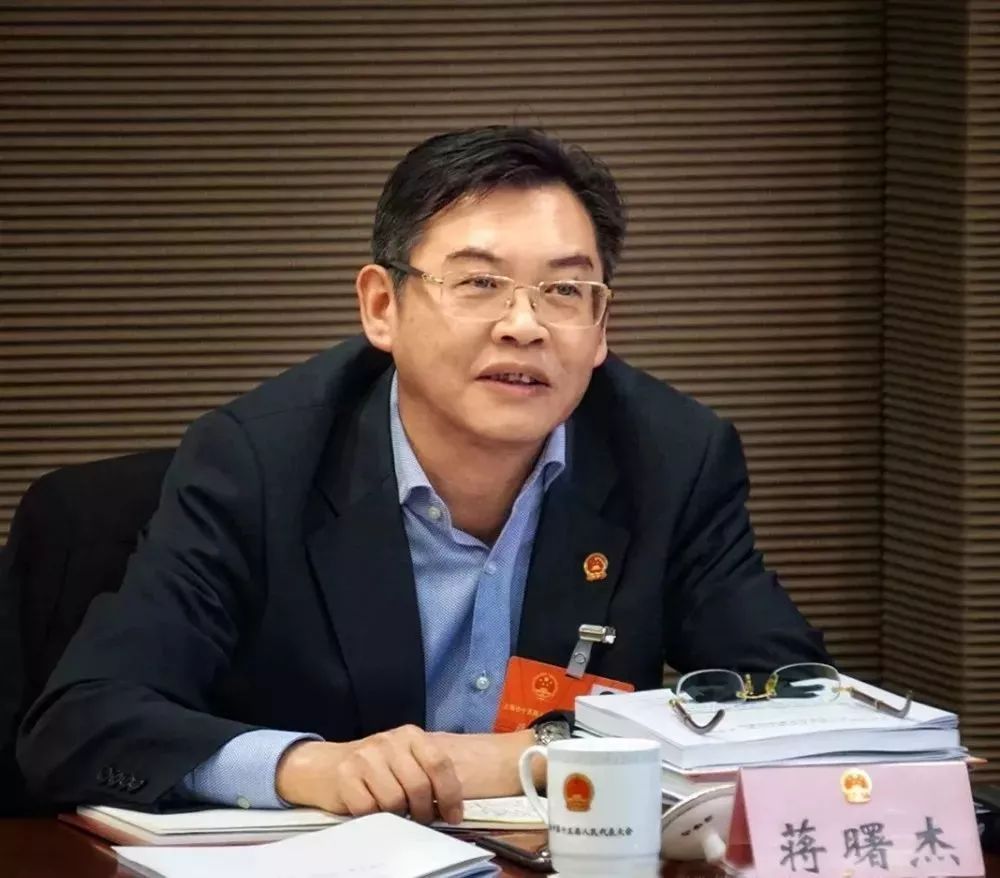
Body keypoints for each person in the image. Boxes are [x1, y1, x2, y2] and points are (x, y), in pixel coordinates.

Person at [17, 126, 829, 824]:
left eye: (563, 290)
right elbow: (82, 722)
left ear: (600, 325)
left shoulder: (673, 458)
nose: (523, 325)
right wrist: (308, 767)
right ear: (382, 307)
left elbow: (802, 704)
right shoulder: (257, 463)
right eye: (480, 283)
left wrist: (548, 750)